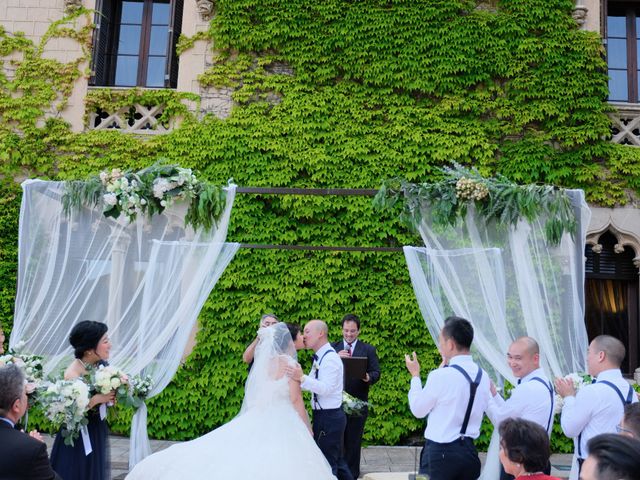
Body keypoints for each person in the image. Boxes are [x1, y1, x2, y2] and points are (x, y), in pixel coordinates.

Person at [126, 322, 336, 480]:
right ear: (290, 341)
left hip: (262, 415)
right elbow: (295, 398)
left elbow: (259, 393)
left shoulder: (266, 364)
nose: (303, 337)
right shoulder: (290, 364)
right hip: (284, 419)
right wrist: (307, 427)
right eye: (301, 334)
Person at [405, 315, 491, 480]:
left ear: (450, 344)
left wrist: (415, 376)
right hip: (470, 454)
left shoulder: (440, 376)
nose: (440, 345)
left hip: (439, 456)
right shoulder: (483, 376)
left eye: (441, 341)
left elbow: (418, 410)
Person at [555, 335, 638, 474]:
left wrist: (569, 397)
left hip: (594, 469)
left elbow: (569, 429)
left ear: (601, 356)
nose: (587, 358)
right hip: (621, 467)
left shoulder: (592, 391)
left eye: (589, 352)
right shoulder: (630, 390)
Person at [50, 321, 116, 480]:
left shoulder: (100, 365)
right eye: (105, 341)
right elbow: (72, 412)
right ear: (89, 350)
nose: (110, 345)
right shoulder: (72, 374)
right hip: (77, 436)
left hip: (95, 428)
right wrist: (97, 399)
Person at [289, 320, 353, 480]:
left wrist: (301, 378)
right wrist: (291, 380)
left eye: (307, 331)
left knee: (327, 464)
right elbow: (309, 383)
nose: (304, 336)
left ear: (321, 333)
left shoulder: (330, 358)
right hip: (324, 417)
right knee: (338, 462)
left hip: (329, 418)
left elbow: (326, 388)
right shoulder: (320, 357)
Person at [487, 337, 555, 480]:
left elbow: (501, 421)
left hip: (520, 464)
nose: (512, 363)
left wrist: (486, 397)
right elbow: (511, 411)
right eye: (510, 357)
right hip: (540, 462)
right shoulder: (545, 382)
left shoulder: (528, 388)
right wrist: (494, 395)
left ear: (535, 358)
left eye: (518, 358)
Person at [331, 313, 381, 479]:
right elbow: (322, 369)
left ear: (358, 331)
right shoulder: (333, 348)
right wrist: (335, 358)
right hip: (335, 403)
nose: (349, 334)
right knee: (337, 442)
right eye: (346, 330)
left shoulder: (368, 349)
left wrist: (368, 377)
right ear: (341, 330)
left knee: (353, 442)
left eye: (352, 331)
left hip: (358, 402)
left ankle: (352, 476)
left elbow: (376, 372)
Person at [0, 364, 61, 480]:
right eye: (24, 393)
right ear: (16, 405)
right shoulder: (31, 448)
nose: (27, 397)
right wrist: (30, 447)